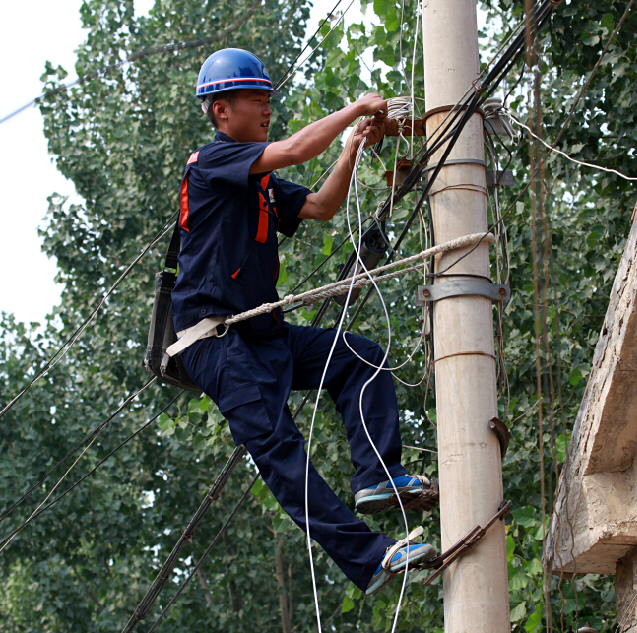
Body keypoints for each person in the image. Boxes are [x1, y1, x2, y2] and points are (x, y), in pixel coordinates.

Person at [170, 48, 438, 595]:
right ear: (221, 111)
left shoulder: (261, 182)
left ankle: (378, 477)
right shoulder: (211, 163)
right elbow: (292, 150)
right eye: (255, 100)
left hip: (264, 334)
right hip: (216, 341)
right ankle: (371, 558)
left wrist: (349, 151)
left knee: (360, 356)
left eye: (268, 98)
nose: (267, 108)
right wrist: (354, 109)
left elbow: (319, 206)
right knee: (281, 452)